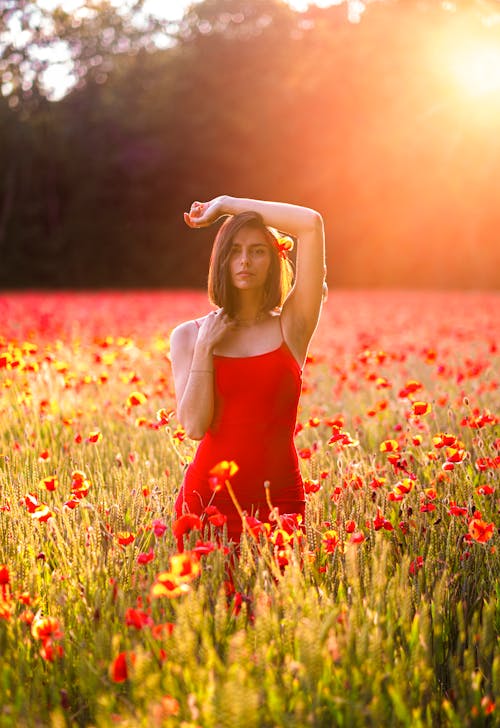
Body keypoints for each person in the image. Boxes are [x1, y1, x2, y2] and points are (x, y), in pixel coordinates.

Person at [170, 195, 325, 544]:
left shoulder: (292, 326)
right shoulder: (188, 336)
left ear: (273, 260)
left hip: (279, 503)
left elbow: (311, 225)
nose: (245, 261)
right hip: (207, 504)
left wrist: (226, 204)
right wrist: (206, 348)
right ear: (220, 261)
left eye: (258, 250)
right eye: (235, 250)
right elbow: (194, 426)